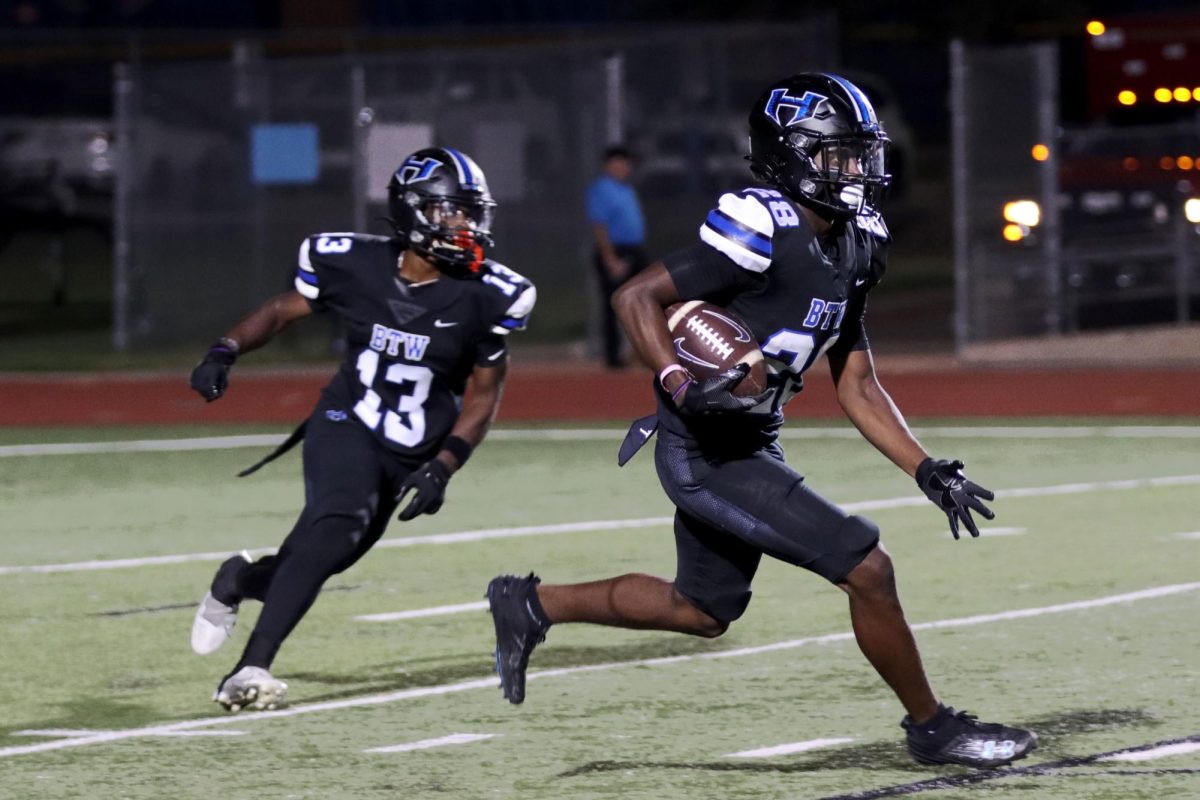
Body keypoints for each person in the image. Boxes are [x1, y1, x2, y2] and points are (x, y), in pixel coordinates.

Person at [486, 73, 1038, 770]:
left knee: (702, 610)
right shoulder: (759, 226)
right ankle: (933, 729)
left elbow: (859, 383)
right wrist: (679, 380)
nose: (857, 170)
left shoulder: (858, 241)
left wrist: (925, 467)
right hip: (705, 449)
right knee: (867, 567)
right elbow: (635, 298)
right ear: (791, 155)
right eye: (838, 155)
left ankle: (532, 603)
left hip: (753, 439)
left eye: (861, 154)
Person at [188, 146, 535, 712]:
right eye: (451, 212)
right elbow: (282, 310)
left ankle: (239, 581)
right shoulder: (355, 262)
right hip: (345, 417)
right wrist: (224, 349)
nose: (465, 225)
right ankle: (250, 668)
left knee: (326, 556)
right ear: (413, 211)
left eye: (471, 212)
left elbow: (484, 395)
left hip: (414, 444)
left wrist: (444, 465)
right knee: (336, 523)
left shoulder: (491, 293)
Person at [586, 144, 647, 368]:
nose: (625, 167)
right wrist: (610, 258)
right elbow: (600, 226)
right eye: (620, 162)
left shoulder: (627, 188)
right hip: (615, 251)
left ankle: (641, 351)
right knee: (613, 304)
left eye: (627, 162)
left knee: (645, 299)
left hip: (634, 251)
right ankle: (613, 357)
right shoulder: (602, 189)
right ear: (609, 164)